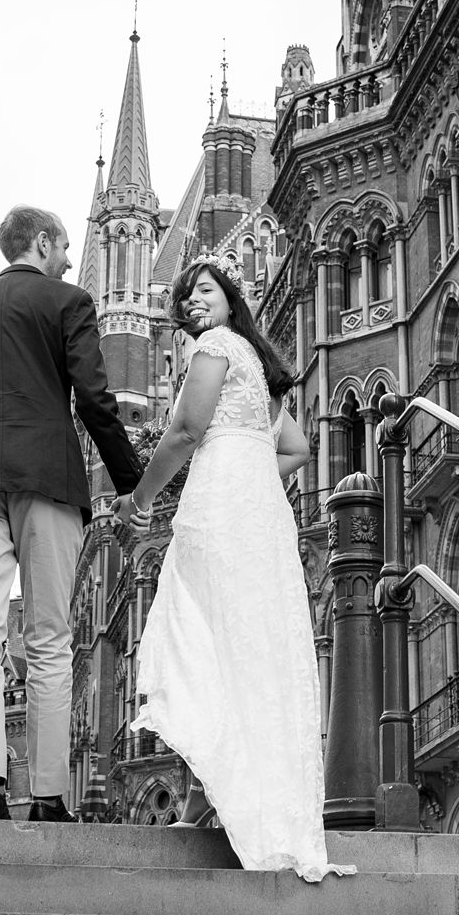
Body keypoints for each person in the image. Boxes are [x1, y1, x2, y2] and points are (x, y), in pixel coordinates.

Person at [113, 256, 354, 883]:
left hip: (220, 510)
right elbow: (298, 450)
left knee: (204, 642)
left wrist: (139, 501)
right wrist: (251, 476)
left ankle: (204, 795)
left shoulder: (216, 347)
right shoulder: (253, 364)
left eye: (205, 290)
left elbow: (187, 429)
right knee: (250, 647)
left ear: (229, 300)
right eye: (184, 297)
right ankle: (217, 797)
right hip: (260, 518)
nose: (192, 301)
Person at [0, 205, 145, 823]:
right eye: (66, 245)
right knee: (49, 640)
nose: (71, 259)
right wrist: (134, 483)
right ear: (41, 242)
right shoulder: (68, 303)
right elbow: (97, 402)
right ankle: (47, 797)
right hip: (48, 478)